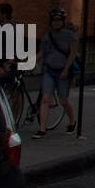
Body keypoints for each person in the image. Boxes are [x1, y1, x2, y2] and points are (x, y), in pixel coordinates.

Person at [34, 9, 79, 138]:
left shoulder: (70, 36)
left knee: (63, 100)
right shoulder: (46, 36)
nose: (56, 23)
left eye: (59, 20)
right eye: (54, 21)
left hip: (63, 72)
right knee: (45, 99)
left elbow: (72, 54)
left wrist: (66, 69)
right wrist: (30, 62)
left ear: (63, 22)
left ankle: (72, 121)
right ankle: (42, 129)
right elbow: (42, 53)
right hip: (49, 71)